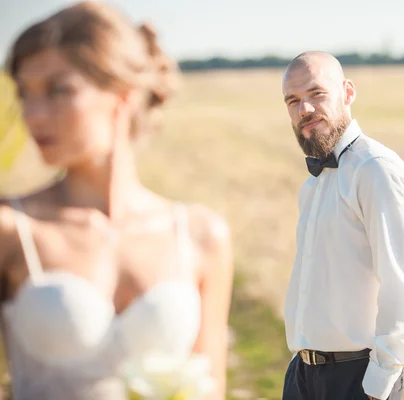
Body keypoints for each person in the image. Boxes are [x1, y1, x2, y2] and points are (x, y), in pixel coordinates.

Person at [0, 2, 233, 399]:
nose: (34, 115)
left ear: (122, 94)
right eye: (25, 94)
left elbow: (212, 388)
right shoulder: (11, 229)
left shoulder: (200, 235)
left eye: (58, 90)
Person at [281, 51, 404, 400]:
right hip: (302, 377)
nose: (305, 110)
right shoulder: (314, 183)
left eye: (317, 94)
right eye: (294, 101)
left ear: (347, 93)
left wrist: (378, 385)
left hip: (358, 382)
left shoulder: (376, 170)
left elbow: (402, 287)